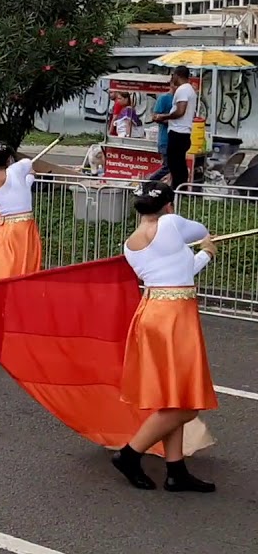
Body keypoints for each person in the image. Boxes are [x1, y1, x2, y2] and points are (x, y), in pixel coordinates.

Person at [110, 181, 218, 493]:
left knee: (174, 394)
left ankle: (175, 469)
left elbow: (179, 271)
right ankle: (130, 454)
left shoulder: (130, 244)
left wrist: (205, 255)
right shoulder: (171, 224)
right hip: (174, 316)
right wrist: (207, 244)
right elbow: (200, 229)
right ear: (168, 205)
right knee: (186, 404)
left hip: (153, 310)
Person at [0, 141, 46, 348]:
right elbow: (27, 165)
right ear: (8, 159)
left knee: (4, 274)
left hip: (6, 229)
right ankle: (3, 327)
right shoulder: (16, 169)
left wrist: (29, 177)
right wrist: (28, 172)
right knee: (17, 275)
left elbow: (22, 186)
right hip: (23, 230)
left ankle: (2, 325)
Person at [150, 67, 197, 191]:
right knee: (179, 164)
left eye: (173, 76)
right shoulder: (190, 89)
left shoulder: (182, 90)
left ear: (177, 75)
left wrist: (164, 116)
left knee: (175, 165)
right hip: (183, 132)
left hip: (178, 133)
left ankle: (177, 191)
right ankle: (180, 190)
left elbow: (180, 111)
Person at [149, 89, 175, 182]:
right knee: (168, 167)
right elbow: (155, 117)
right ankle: (148, 183)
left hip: (177, 141)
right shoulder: (164, 98)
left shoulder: (181, 99)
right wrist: (171, 121)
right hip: (165, 140)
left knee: (175, 168)